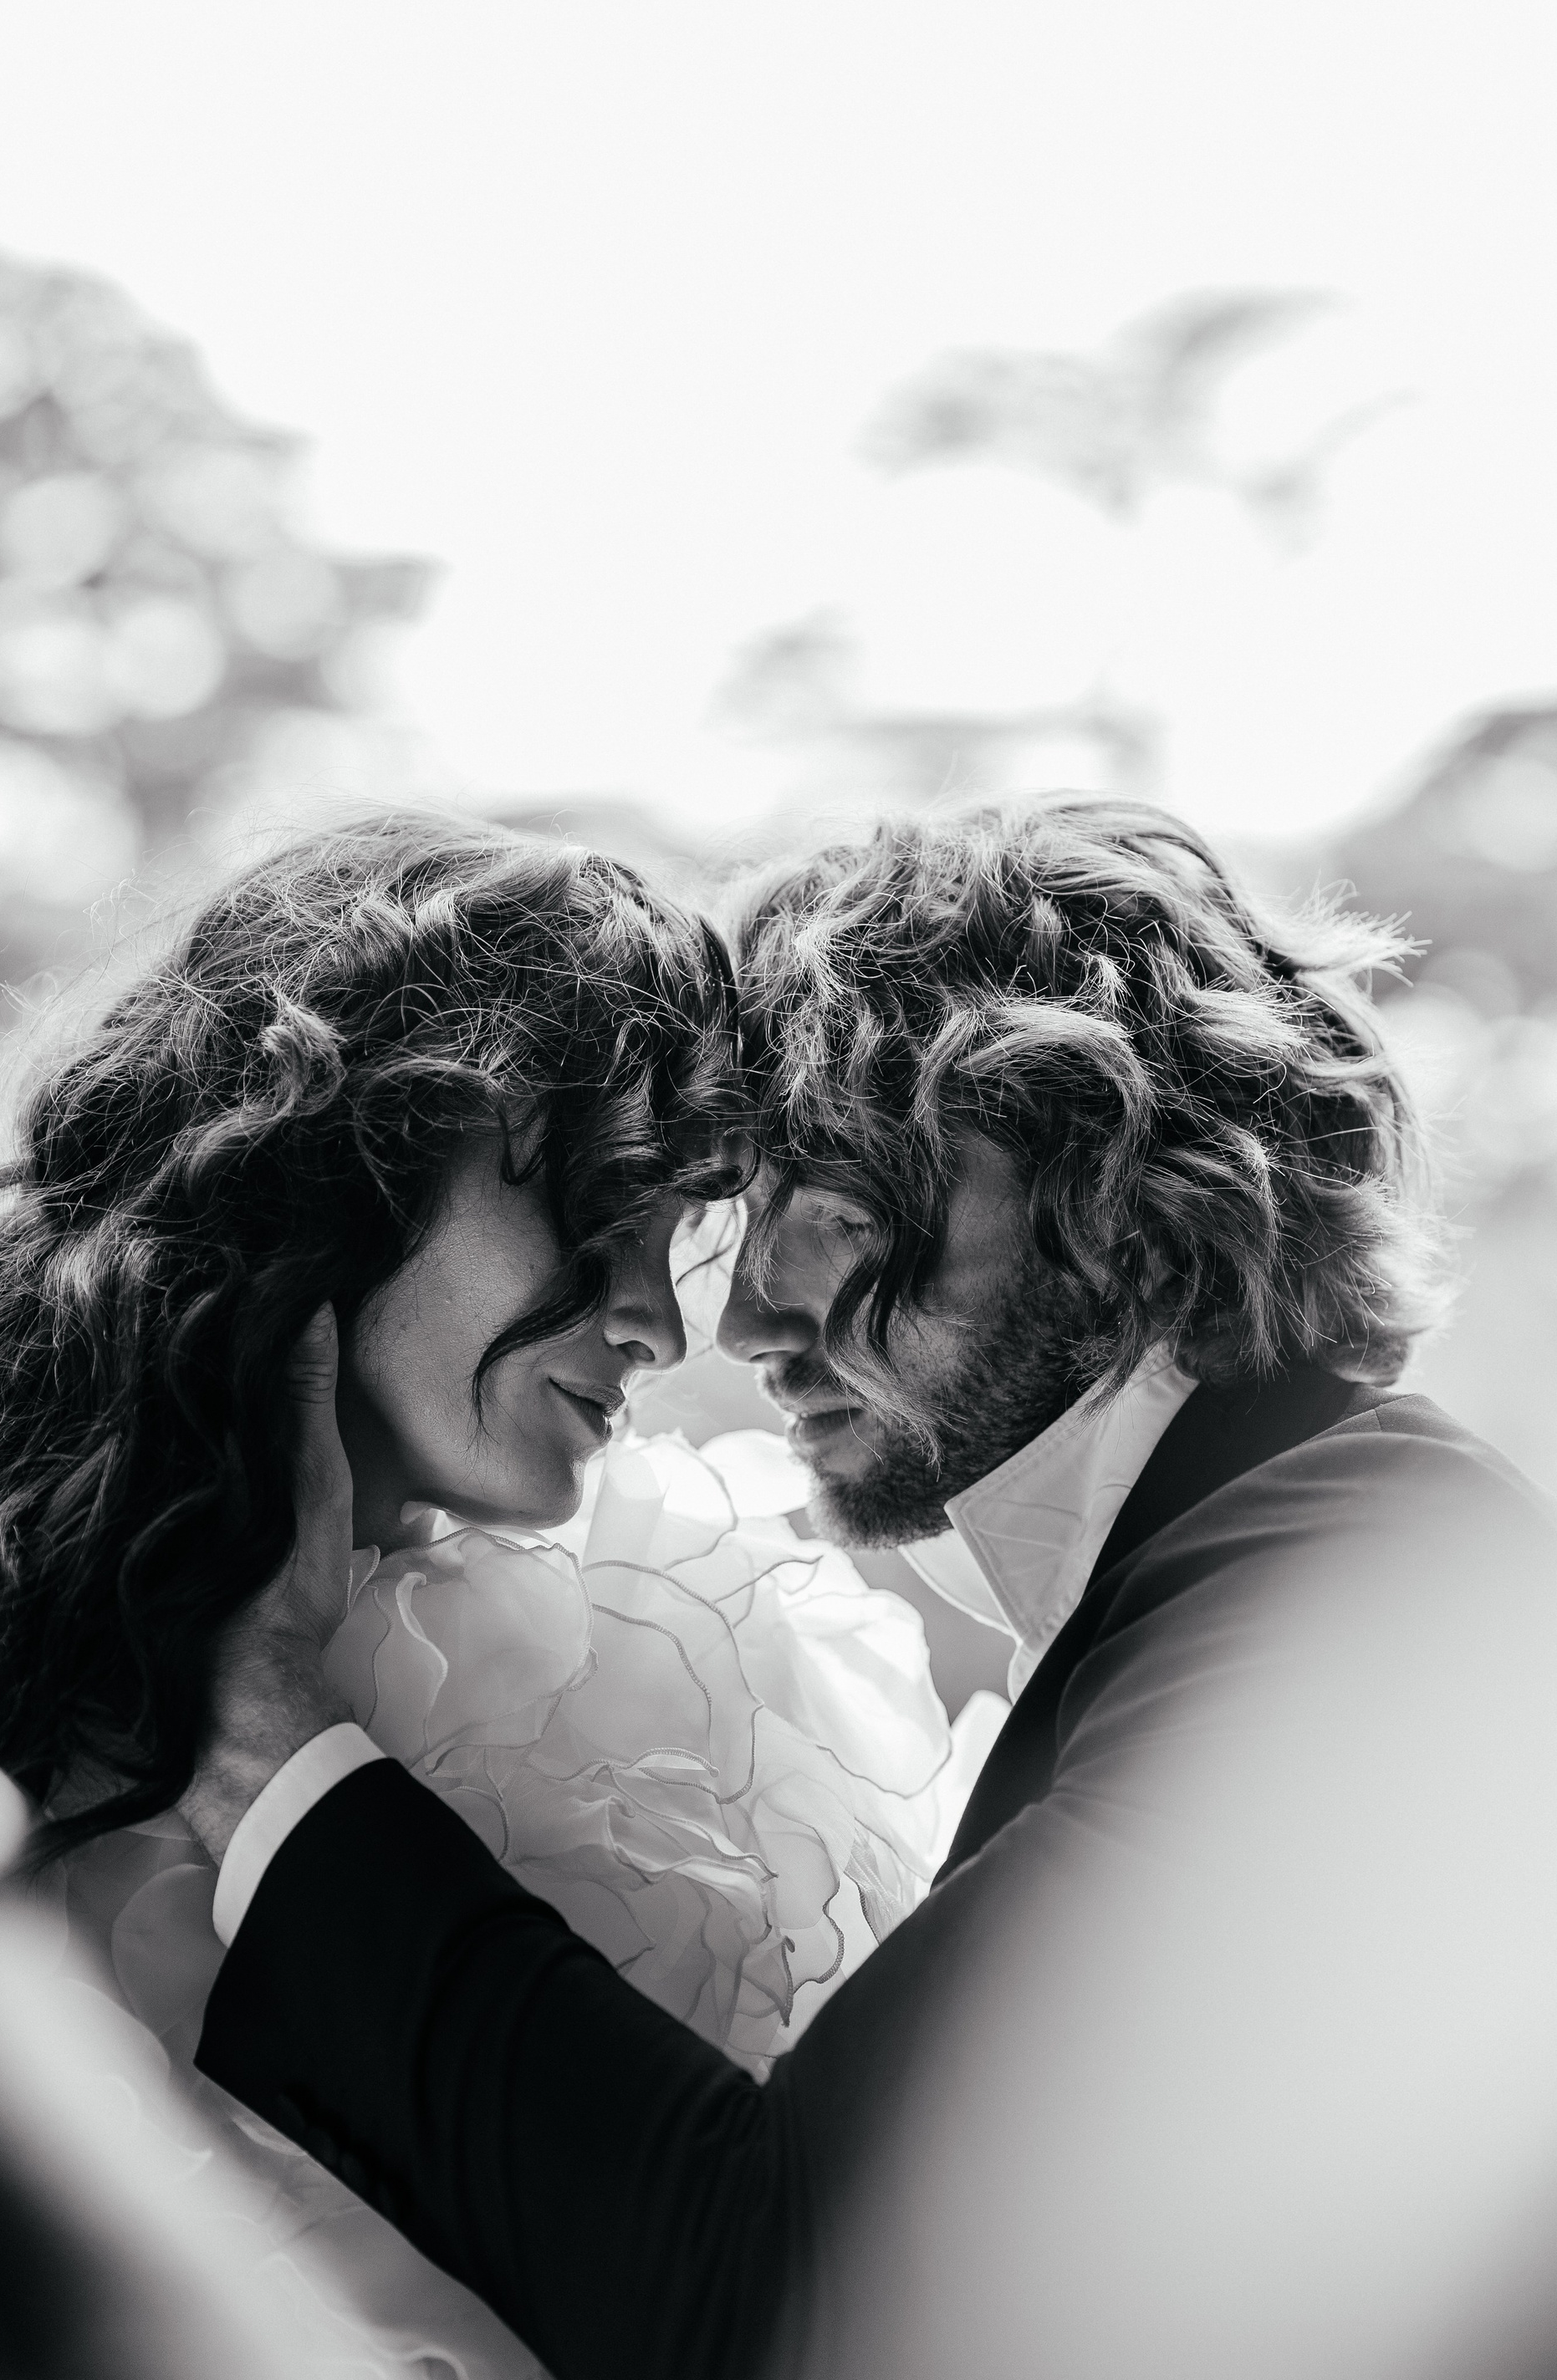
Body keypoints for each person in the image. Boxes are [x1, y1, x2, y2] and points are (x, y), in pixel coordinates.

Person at [183, 800, 1557, 2380]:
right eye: (744, 1222)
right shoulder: (1306, 1554)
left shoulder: (1351, 1594)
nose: (747, 1322)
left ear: (1124, 1203)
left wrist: (266, 1736)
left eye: (837, 1206)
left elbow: (799, 2293)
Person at [0, 814, 967, 2379]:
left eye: (672, 1244)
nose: (658, 1326)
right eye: (597, 1215)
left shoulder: (679, 1698)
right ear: (338, 1162)